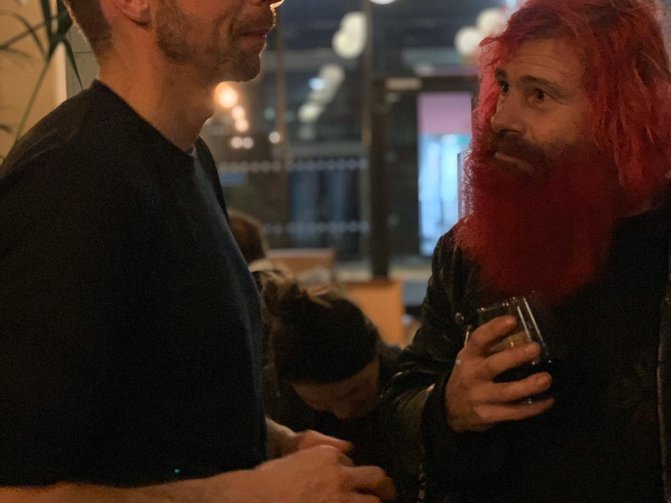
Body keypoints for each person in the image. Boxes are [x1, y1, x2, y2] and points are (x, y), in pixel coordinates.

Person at [0, 0, 395, 502]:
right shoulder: (71, 179)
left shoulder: (187, 157)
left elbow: (159, 400)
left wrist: (278, 445)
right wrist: (252, 495)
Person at [381, 0, 671, 502]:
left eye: (539, 95)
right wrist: (447, 406)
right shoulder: (469, 250)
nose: (500, 118)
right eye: (505, 87)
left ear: (621, 115)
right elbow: (399, 411)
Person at [260, 274, 401, 466]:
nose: (343, 413)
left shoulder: (411, 379)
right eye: (320, 403)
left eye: (355, 391)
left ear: (376, 351)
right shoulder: (272, 402)